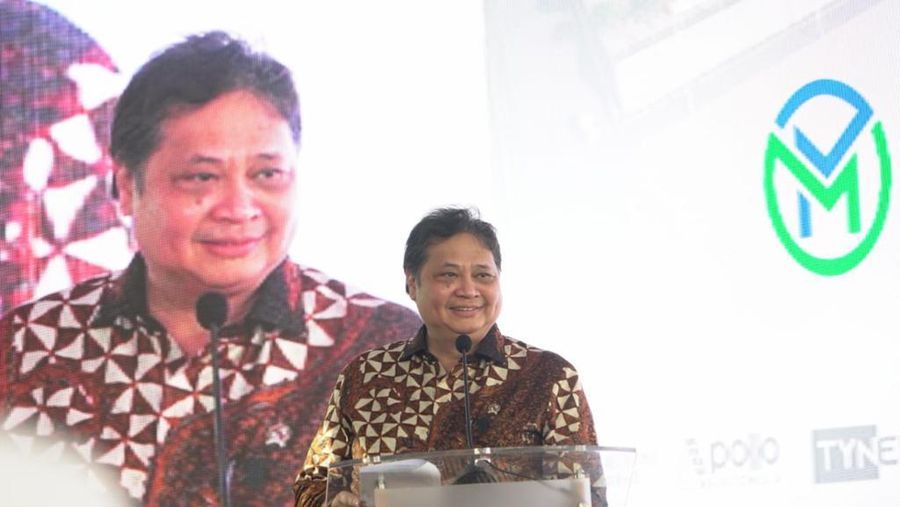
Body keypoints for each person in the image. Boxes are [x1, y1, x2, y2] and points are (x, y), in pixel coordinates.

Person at [0, 31, 421, 506]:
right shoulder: (23, 353)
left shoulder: (391, 355)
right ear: (127, 186)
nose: (239, 208)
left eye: (266, 175)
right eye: (202, 177)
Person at [293, 207, 600, 507]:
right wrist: (332, 502)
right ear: (412, 283)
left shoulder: (548, 377)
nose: (468, 290)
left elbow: (588, 495)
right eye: (449, 275)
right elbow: (313, 484)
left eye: (483, 275)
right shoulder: (365, 376)